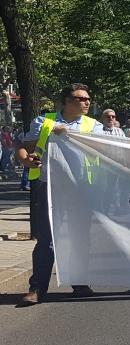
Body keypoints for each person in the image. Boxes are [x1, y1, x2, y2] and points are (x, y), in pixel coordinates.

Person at [16, 83, 106, 305]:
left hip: (80, 188)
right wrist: (26, 159)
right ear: (66, 101)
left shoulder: (93, 125)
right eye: (81, 98)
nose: (87, 102)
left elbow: (103, 150)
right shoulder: (44, 122)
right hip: (50, 187)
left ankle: (80, 284)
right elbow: (25, 147)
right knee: (46, 240)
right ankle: (37, 288)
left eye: (88, 98)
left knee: (80, 238)